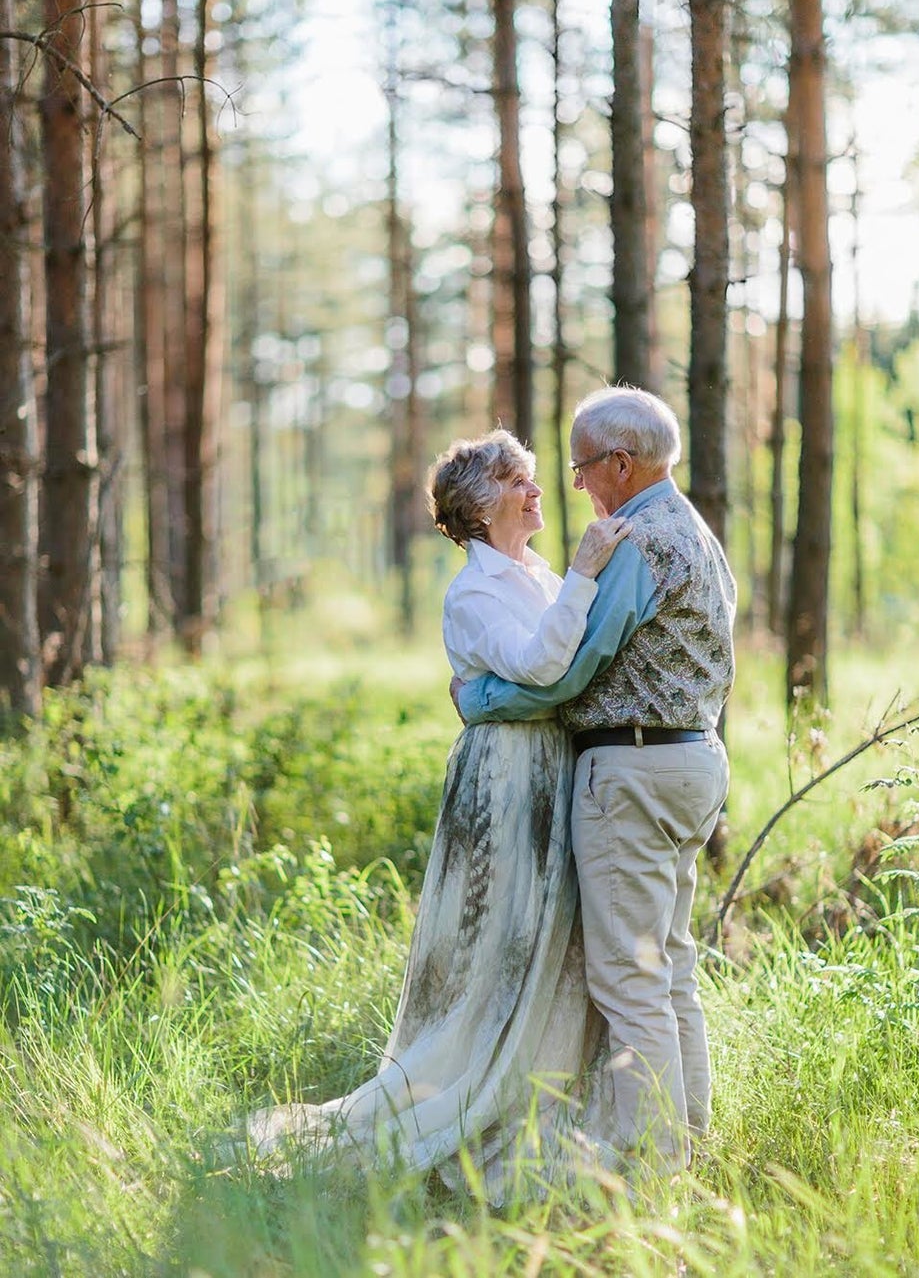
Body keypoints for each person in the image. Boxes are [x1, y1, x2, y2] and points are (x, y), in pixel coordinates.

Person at [245, 428, 633, 1197]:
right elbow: (541, 664)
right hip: (505, 781)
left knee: (549, 944)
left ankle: (544, 1097)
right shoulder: (475, 591)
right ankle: (463, 1100)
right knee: (499, 946)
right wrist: (588, 573)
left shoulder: (535, 572)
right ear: (482, 504)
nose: (537, 489)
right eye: (519, 479)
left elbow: (573, 661)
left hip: (551, 770)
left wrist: (577, 581)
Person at [454, 386, 736, 1174]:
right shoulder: (696, 534)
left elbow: (570, 672)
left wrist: (480, 697)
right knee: (670, 964)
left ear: (621, 461)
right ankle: (691, 1140)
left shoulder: (637, 543)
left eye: (581, 468)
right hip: (693, 762)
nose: (576, 485)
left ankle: (652, 1170)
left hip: (633, 771)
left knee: (628, 977)